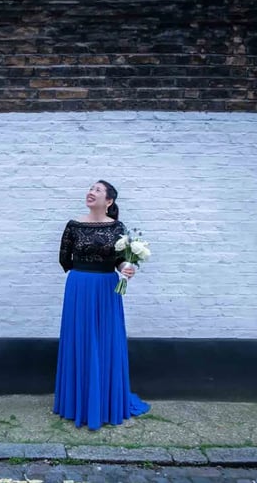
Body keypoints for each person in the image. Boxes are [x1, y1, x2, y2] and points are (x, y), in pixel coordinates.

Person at [53, 180, 150, 429]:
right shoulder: (73, 225)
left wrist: (126, 267)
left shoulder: (118, 227)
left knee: (105, 340)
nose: (90, 192)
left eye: (97, 190)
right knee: (81, 339)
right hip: (79, 287)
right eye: (90, 188)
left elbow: (120, 259)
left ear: (109, 201)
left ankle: (104, 401)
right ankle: (78, 403)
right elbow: (65, 259)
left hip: (106, 288)